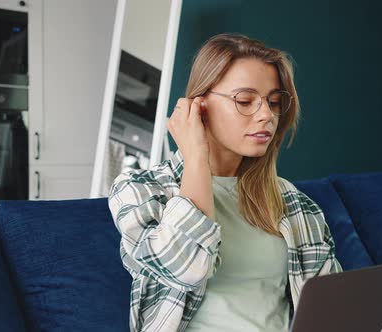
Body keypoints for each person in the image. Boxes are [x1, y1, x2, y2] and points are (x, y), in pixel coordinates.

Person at [108, 32, 343, 332]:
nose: (266, 116)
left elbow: (333, 307)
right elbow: (186, 269)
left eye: (273, 102)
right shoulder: (140, 191)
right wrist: (195, 157)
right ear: (199, 105)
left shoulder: (293, 204)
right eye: (245, 100)